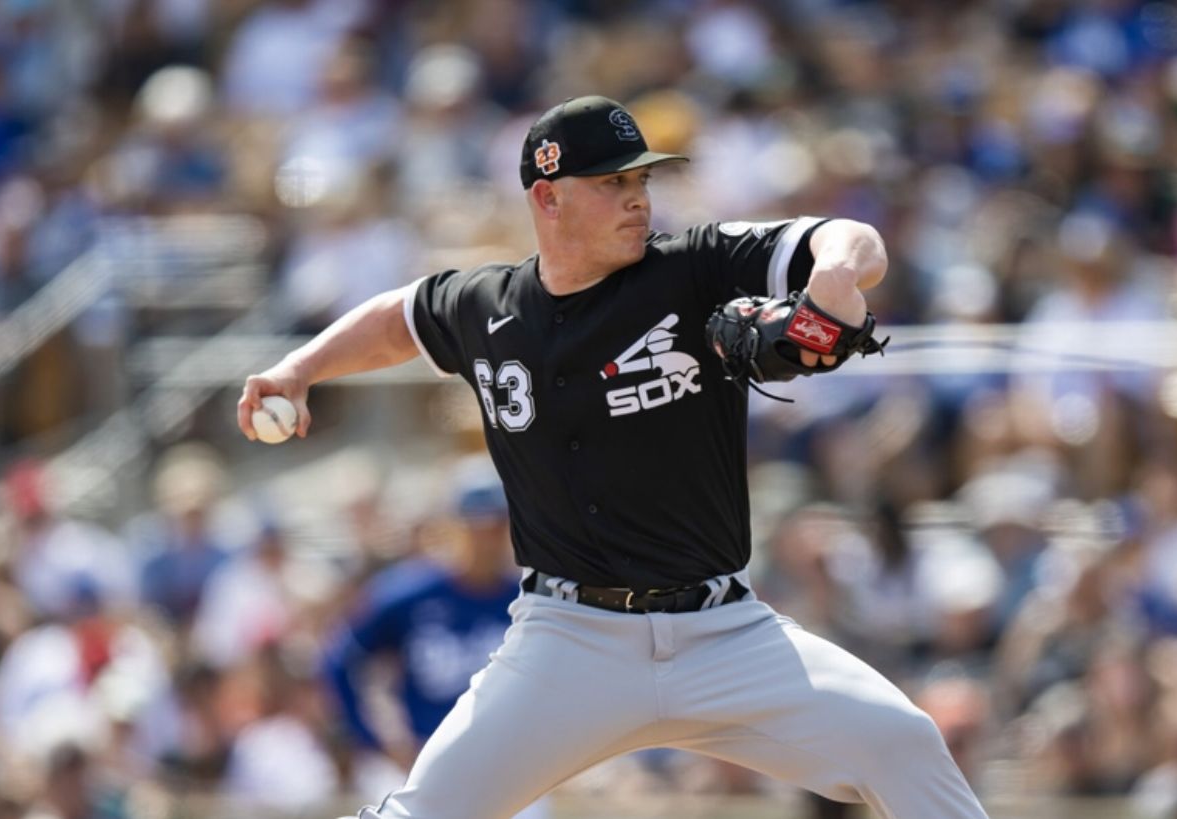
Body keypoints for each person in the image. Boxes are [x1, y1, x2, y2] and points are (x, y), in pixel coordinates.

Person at [238, 95, 987, 818]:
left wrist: (833, 273)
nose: (637, 199)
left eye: (641, 180)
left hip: (724, 632)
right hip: (569, 642)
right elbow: (397, 319)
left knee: (904, 742)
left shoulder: (695, 268)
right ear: (548, 197)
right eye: (611, 183)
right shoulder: (486, 306)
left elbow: (854, 239)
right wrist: (300, 368)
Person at [321, 463, 521, 773]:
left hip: (514, 755)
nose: (487, 539)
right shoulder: (405, 595)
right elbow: (338, 661)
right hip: (431, 759)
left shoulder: (524, 599)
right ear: (452, 526)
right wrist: (373, 738)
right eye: (477, 526)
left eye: (497, 525)